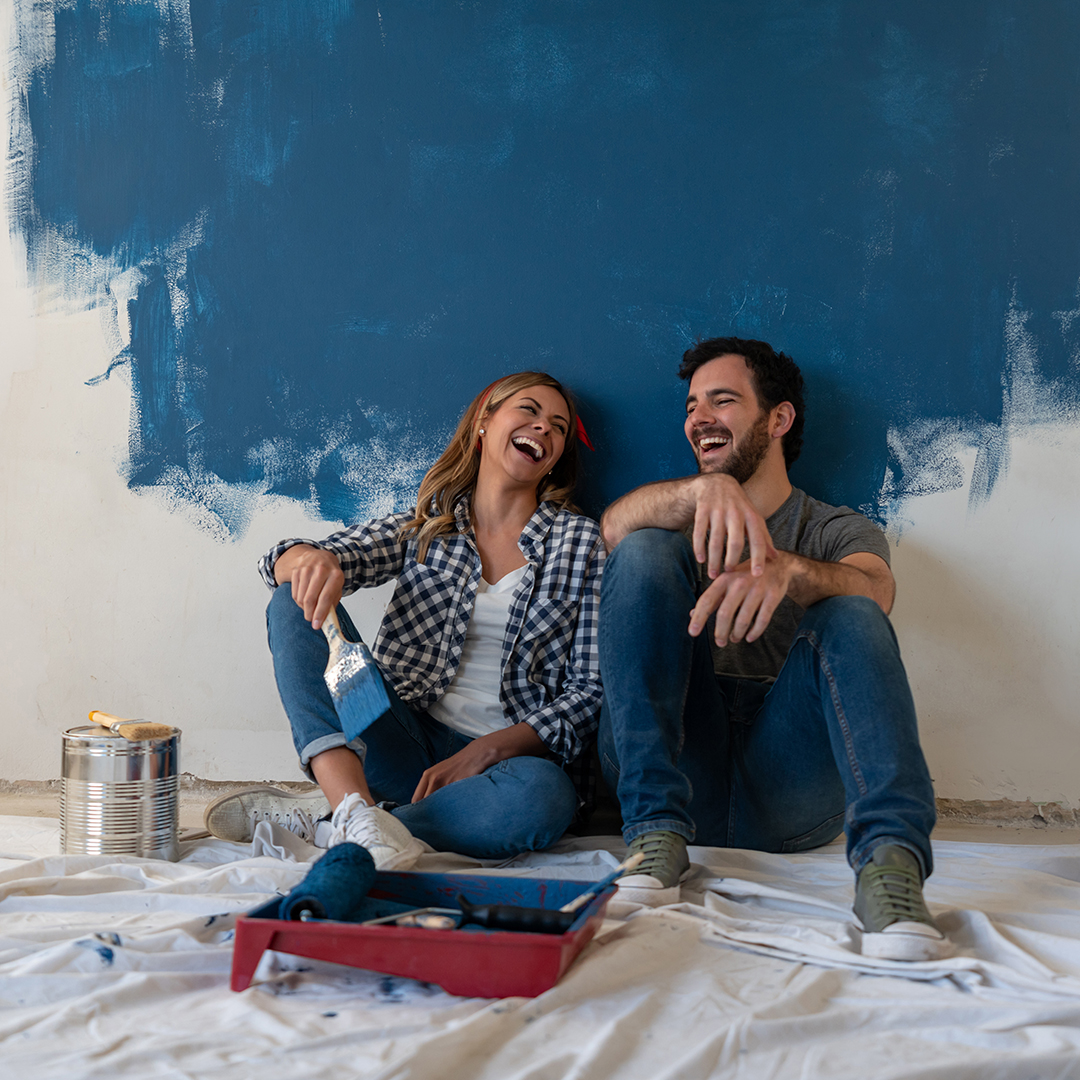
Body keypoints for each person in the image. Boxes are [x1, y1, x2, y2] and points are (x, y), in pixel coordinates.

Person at [598, 337, 948, 962]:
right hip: (682, 763)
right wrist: (700, 494)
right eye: (691, 406)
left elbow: (878, 591)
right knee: (644, 546)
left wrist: (790, 570)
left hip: (791, 781)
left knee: (851, 607)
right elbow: (614, 527)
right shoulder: (675, 516)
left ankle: (891, 872)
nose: (699, 418)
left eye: (722, 400)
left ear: (778, 418)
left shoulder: (835, 527)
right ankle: (652, 837)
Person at [204, 372, 604, 869]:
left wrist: (486, 750)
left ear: (559, 454)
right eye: (529, 410)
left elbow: (588, 690)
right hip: (394, 736)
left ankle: (338, 820)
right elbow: (281, 563)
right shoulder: (428, 527)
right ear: (484, 422)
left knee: (545, 799)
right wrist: (312, 560)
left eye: (559, 426)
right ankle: (353, 806)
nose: (544, 427)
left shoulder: (581, 543)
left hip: (503, 772)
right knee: (295, 599)